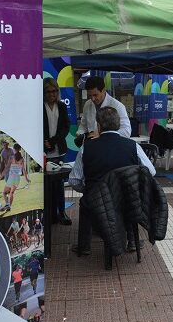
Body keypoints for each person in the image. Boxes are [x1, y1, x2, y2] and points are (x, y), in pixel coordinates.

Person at [69, 106, 156, 256]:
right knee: (129, 197)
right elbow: (151, 172)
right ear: (118, 124)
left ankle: (84, 246)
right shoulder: (132, 146)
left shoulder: (86, 147)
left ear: (99, 126)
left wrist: (88, 189)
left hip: (95, 201)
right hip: (125, 200)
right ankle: (132, 242)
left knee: (85, 204)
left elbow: (74, 180)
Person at [43, 78, 72, 226]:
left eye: (54, 91)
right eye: (48, 91)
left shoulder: (61, 106)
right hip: (43, 152)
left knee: (59, 184)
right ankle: (50, 214)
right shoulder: (39, 107)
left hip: (59, 150)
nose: (52, 94)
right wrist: (44, 141)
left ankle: (62, 212)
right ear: (43, 93)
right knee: (47, 185)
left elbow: (66, 126)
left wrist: (54, 140)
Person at [75, 76, 131, 146]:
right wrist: (80, 134)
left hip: (111, 147)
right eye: (90, 95)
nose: (93, 99)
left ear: (104, 90)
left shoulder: (117, 106)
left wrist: (102, 134)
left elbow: (126, 131)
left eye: (95, 95)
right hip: (93, 147)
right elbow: (83, 126)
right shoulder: (87, 104)